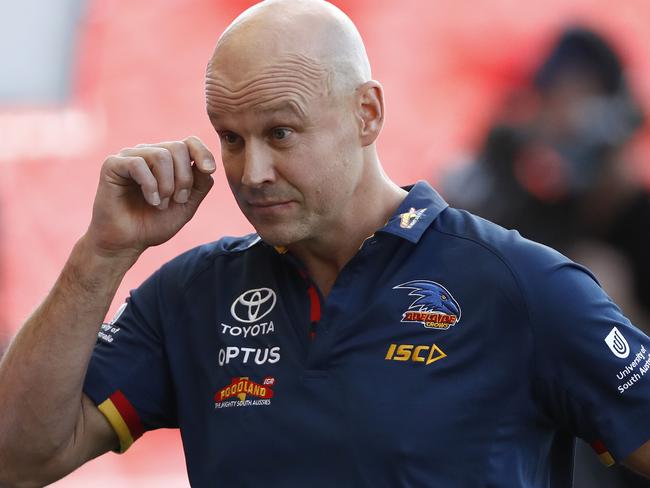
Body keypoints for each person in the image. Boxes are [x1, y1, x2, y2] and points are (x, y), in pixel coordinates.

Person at [1, 1, 650, 486]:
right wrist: (102, 255)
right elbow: (17, 457)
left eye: (280, 133)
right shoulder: (191, 297)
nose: (251, 173)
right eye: (231, 138)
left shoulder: (518, 285)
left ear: (367, 113)